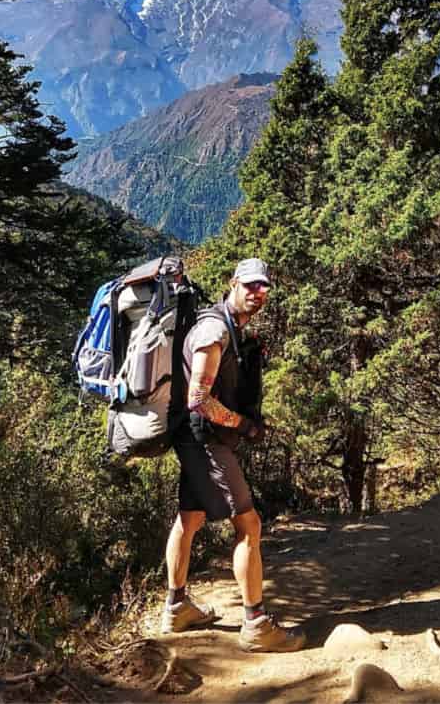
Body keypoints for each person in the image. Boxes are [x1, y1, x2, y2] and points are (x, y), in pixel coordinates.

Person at [161, 258, 306, 653]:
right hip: (204, 437)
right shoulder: (214, 331)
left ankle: (176, 608)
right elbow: (198, 398)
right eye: (250, 286)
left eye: (264, 288)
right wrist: (243, 425)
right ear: (233, 284)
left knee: (189, 518)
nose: (258, 294)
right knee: (249, 524)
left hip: (195, 437)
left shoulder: (231, 329)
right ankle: (256, 622)